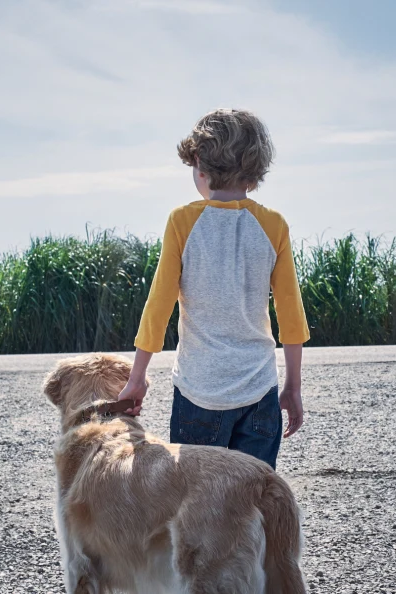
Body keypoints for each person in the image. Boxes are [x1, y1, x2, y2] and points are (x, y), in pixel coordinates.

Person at [116, 108, 309, 469]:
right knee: (252, 496)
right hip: (259, 391)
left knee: (196, 499)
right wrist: (293, 387)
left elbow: (158, 306)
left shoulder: (182, 221)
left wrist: (137, 378)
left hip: (198, 394)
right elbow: (291, 315)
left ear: (201, 167)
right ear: (255, 169)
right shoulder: (274, 225)